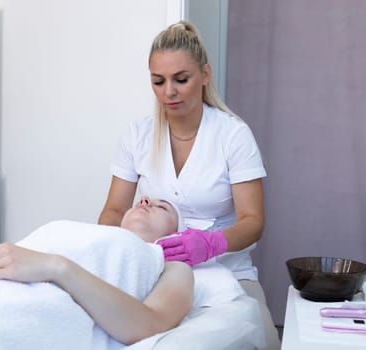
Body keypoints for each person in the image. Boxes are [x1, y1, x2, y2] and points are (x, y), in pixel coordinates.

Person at [98, 21, 280, 349]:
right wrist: (128, 252)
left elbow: (253, 222)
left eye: (181, 80)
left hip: (228, 270)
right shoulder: (137, 135)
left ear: (205, 75)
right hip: (154, 271)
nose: (169, 92)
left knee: (264, 339)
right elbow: (113, 211)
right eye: (158, 81)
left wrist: (212, 244)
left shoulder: (233, 136)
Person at [0, 196, 194, 346]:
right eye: (142, 199)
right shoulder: (82, 231)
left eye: (162, 207)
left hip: (19, 311)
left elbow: (150, 325)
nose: (145, 201)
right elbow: (23, 255)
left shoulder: (171, 267)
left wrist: (56, 267)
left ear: (175, 234)